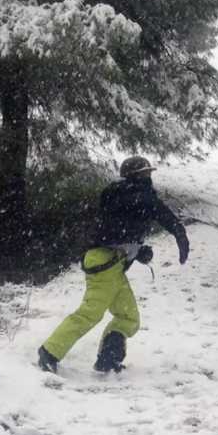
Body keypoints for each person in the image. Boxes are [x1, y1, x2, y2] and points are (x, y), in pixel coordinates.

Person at [37, 156, 189, 375]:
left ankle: (109, 359)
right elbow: (152, 216)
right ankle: (49, 352)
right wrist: (179, 235)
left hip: (110, 262)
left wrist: (137, 250)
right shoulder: (137, 196)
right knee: (91, 313)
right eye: (146, 173)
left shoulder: (120, 196)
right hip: (104, 262)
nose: (149, 177)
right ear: (136, 176)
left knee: (128, 317)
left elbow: (118, 230)